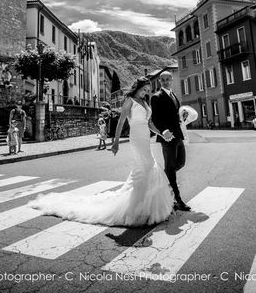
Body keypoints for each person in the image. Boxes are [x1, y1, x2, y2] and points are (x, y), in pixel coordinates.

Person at [28, 77, 173, 227]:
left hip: (145, 138)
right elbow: (121, 121)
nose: (146, 93)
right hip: (136, 138)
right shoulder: (130, 100)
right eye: (144, 90)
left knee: (144, 169)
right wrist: (115, 142)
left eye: (148, 91)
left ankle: (144, 209)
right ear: (137, 88)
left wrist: (163, 133)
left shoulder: (145, 102)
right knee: (149, 165)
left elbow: (149, 123)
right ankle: (137, 209)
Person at [151, 71, 191, 211]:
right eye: (163, 80)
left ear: (172, 80)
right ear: (160, 81)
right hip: (167, 137)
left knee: (181, 163)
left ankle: (165, 179)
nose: (166, 81)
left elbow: (175, 117)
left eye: (168, 79)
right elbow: (155, 118)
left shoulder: (174, 95)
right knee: (171, 166)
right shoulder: (156, 97)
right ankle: (177, 199)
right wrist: (163, 131)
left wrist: (183, 116)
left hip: (178, 135)